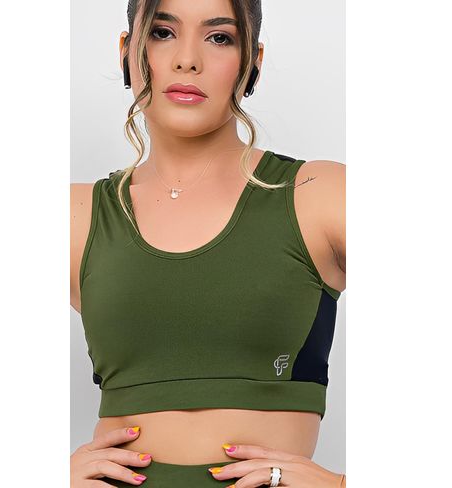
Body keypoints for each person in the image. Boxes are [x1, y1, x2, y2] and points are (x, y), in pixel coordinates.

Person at [70, 0, 346, 486]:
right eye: (162, 32)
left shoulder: (318, 194)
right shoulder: (76, 215)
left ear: (252, 61)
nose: (187, 60)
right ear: (126, 51)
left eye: (219, 37)